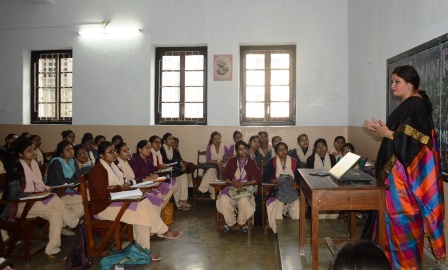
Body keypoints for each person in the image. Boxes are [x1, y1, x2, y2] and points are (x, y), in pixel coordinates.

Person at [363, 65, 445, 269]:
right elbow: (401, 136)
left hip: (402, 183)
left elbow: (416, 143)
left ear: (410, 84)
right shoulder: (408, 105)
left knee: (401, 227)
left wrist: (388, 133)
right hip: (394, 179)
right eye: (392, 81)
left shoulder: (416, 106)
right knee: (389, 227)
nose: (392, 86)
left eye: (396, 81)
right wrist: (382, 130)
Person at [88, 141, 181, 262]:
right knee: (141, 208)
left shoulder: (114, 167)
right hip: (103, 207)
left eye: (114, 151)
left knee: (142, 204)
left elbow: (122, 183)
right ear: (101, 155)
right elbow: (102, 194)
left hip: (116, 199)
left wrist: (118, 187)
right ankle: (162, 231)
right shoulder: (98, 170)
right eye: (110, 152)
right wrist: (120, 188)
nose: (113, 154)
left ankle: (143, 251)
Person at [0, 139, 80, 260]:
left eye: (33, 149)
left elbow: (40, 184)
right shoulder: (15, 169)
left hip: (33, 202)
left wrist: (45, 190)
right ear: (21, 154)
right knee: (54, 200)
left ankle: (52, 249)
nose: (34, 152)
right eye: (29, 150)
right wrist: (35, 194)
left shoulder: (34, 164)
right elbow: (14, 194)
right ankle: (74, 222)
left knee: (56, 214)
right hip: (17, 205)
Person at [216, 141, 262, 232]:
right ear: (237, 151)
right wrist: (233, 183)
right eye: (240, 149)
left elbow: (259, 178)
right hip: (231, 187)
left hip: (245, 188)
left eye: (245, 148)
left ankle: (241, 222)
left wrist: (244, 183)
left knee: (244, 201)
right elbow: (225, 178)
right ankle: (230, 222)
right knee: (223, 199)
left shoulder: (252, 162)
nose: (243, 151)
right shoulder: (231, 161)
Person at [263, 142, 300, 233]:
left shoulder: (294, 161)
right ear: (276, 152)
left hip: (291, 190)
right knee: (278, 204)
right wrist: (271, 180)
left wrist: (296, 181)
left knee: (297, 204)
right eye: (280, 149)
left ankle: (296, 229)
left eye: (285, 149)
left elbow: (299, 177)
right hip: (276, 190)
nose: (283, 151)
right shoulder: (272, 162)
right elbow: (265, 177)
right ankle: (278, 231)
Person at [129, 140, 173, 208]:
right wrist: (148, 177)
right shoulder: (135, 161)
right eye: (147, 148)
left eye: (150, 148)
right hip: (140, 187)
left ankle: (159, 209)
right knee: (158, 197)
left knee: (169, 188)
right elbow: (134, 177)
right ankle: (156, 210)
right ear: (140, 149)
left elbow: (152, 172)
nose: (149, 150)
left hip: (150, 184)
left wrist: (155, 176)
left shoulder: (148, 160)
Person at [160, 133, 191, 210]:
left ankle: (181, 202)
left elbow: (179, 160)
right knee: (179, 175)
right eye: (170, 139)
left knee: (181, 175)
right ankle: (181, 201)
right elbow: (166, 161)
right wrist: (179, 162)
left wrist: (182, 165)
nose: (172, 141)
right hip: (164, 170)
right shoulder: (162, 149)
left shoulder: (171, 149)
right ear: (164, 141)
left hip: (171, 168)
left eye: (172, 139)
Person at [198, 131, 229, 199]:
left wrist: (221, 163)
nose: (217, 140)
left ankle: (202, 189)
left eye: (218, 138)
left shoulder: (225, 148)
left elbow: (226, 160)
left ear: (221, 138)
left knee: (212, 175)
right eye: (215, 139)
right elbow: (208, 160)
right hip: (211, 167)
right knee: (211, 171)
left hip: (222, 170)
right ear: (212, 140)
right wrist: (217, 162)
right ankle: (214, 196)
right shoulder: (209, 147)